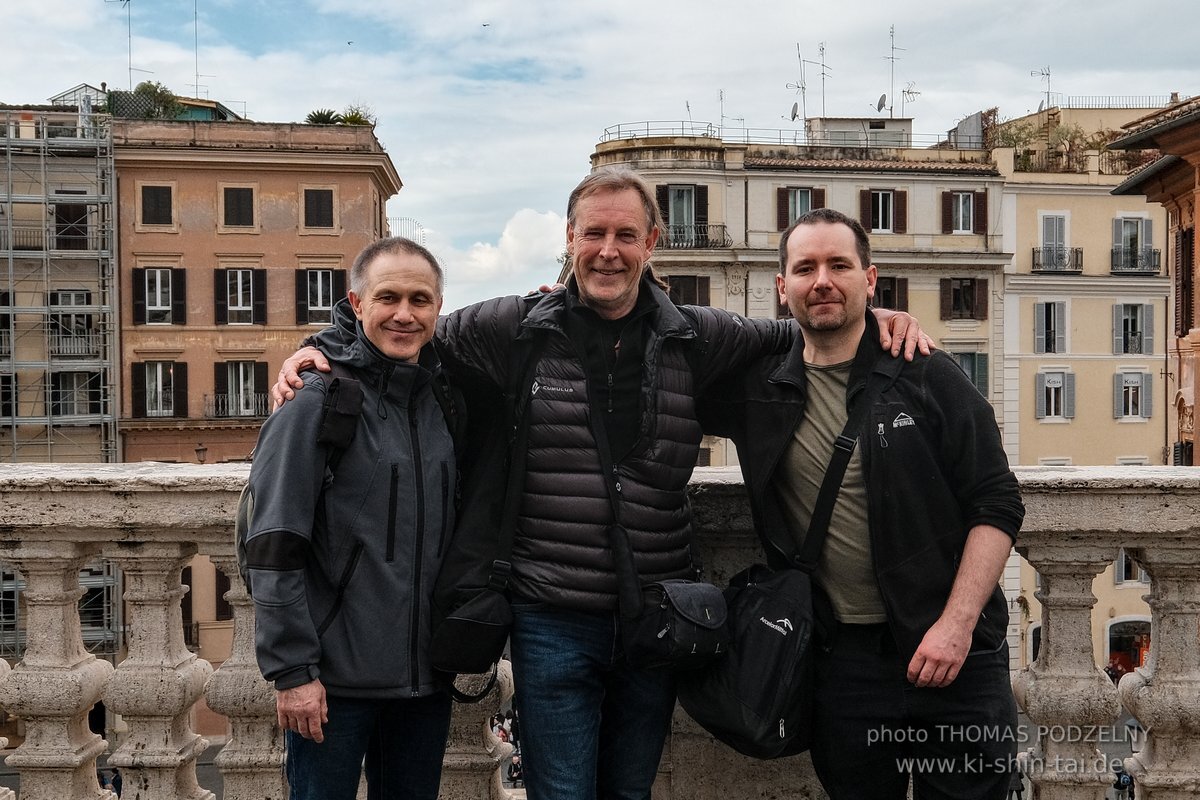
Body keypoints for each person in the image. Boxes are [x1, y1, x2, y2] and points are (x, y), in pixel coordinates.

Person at [272, 168, 929, 800]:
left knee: (627, 789)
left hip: (657, 617)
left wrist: (880, 322)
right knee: (561, 792)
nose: (607, 252)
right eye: (593, 234)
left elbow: (807, 328)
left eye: (623, 236)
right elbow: (404, 327)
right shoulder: (514, 329)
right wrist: (318, 346)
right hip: (550, 614)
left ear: (651, 243)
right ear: (570, 240)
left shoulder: (697, 336)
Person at [698, 208, 1024, 800]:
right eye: (805, 268)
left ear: (869, 280)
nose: (822, 280)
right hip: (842, 663)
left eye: (839, 265)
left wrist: (956, 626)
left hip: (955, 656)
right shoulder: (758, 388)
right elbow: (662, 345)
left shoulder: (929, 375)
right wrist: (574, 306)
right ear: (782, 286)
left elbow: (996, 502)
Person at [245, 237, 460, 800]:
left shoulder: (447, 399)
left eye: (421, 299)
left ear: (439, 308)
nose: (404, 314)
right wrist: (292, 672)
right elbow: (270, 543)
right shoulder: (316, 397)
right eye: (388, 297)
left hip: (424, 684)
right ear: (357, 302)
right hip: (331, 686)